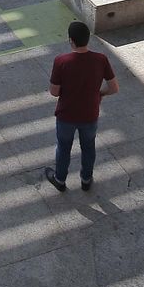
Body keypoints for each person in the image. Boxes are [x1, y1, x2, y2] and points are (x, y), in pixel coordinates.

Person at [44, 21, 119, 193]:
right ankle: (86, 179)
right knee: (88, 146)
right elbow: (114, 88)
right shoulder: (101, 59)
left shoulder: (61, 61)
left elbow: (54, 92)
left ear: (71, 40)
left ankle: (60, 180)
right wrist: (100, 94)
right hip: (90, 114)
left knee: (63, 148)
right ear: (88, 39)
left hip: (66, 115)